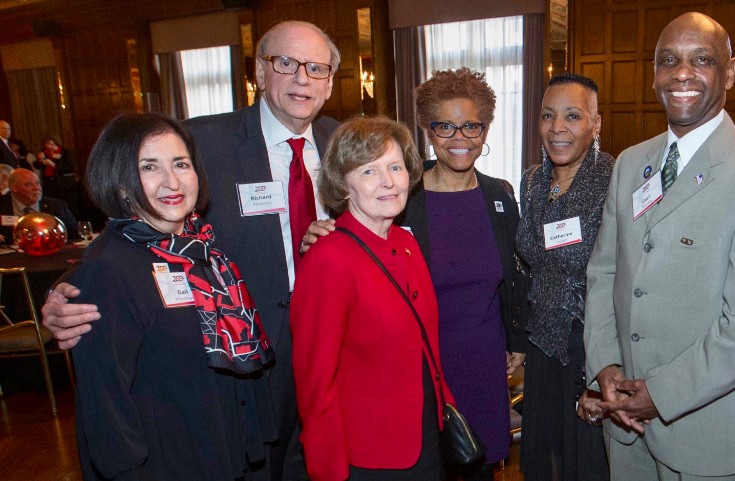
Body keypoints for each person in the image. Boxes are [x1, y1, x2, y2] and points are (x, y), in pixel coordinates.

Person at [41, 20, 342, 481]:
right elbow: (132, 221)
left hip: (334, 344)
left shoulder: (344, 145)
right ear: (260, 73)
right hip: (242, 359)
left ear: (330, 82)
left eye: (316, 68)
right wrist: (71, 289)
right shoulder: (200, 141)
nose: (302, 78)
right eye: (286, 62)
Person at [582, 12, 735, 481]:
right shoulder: (629, 164)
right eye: (669, 61)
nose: (682, 74)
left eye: (701, 59)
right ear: (655, 74)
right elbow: (604, 274)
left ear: (730, 71)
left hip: (701, 430)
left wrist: (659, 394)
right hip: (624, 426)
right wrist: (605, 366)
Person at [71, 112, 275, 480]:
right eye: (149, 167)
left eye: (181, 164)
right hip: (160, 466)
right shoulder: (108, 269)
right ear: (118, 182)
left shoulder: (204, 250)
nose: (172, 181)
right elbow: (105, 402)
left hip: (217, 449)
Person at [290, 116, 450, 481]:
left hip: (424, 439)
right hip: (367, 457)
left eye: (395, 167)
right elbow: (315, 383)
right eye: (369, 171)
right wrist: (328, 470)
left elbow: (425, 346)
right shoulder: (328, 258)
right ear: (343, 184)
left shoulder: (406, 244)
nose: (388, 181)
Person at [410, 67, 523, 479]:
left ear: (485, 129)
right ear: (428, 129)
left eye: (471, 126)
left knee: (480, 466)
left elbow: (514, 275)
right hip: (420, 366)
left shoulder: (499, 196)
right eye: (446, 126)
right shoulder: (402, 196)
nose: (460, 139)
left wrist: (516, 341)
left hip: (484, 362)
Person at [514, 72, 613, 481]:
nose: (558, 128)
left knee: (585, 462)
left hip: (591, 344)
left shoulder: (616, 179)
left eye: (573, 116)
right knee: (544, 455)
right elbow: (525, 264)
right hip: (542, 343)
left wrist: (608, 364)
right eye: (548, 115)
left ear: (595, 123)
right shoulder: (532, 182)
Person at [1, 167, 79, 243]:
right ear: (13, 188)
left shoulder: (57, 206)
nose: (36, 188)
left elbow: (75, 234)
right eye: (28, 184)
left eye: (38, 183)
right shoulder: (3, 205)